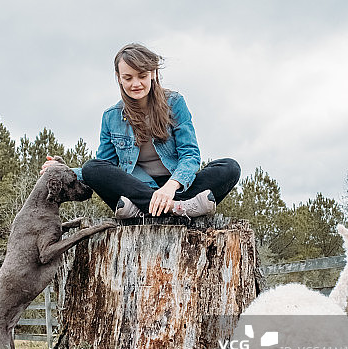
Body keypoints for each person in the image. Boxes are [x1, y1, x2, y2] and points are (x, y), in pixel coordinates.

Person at [47, 43, 241, 219]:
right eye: (128, 78)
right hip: (135, 187)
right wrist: (63, 171)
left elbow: (190, 155)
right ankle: (178, 209)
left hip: (177, 188)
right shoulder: (111, 117)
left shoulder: (175, 103)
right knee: (92, 167)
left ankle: (148, 210)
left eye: (142, 76)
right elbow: (104, 167)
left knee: (230, 168)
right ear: (119, 78)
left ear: (153, 73)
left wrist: (170, 187)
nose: (136, 84)